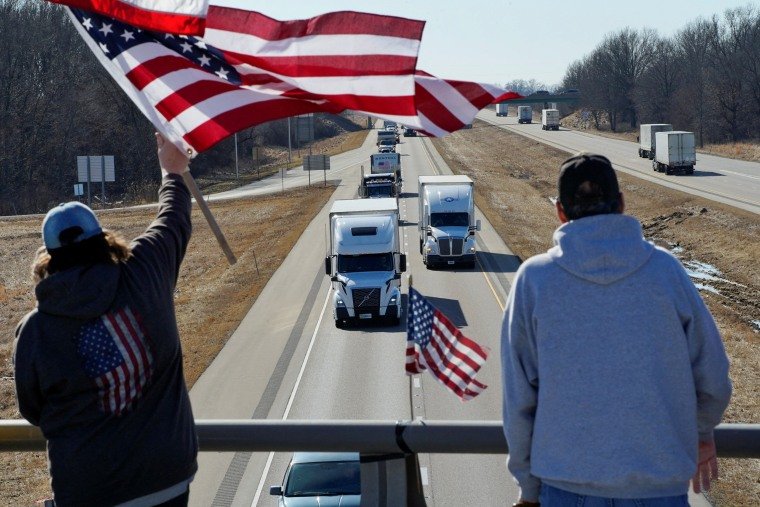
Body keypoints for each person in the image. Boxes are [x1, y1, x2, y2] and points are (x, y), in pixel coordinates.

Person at [500, 153, 732, 506]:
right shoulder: (667, 272)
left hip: (565, 489)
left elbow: (519, 400)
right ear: (622, 204)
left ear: (560, 211)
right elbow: (713, 380)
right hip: (660, 489)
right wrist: (699, 433)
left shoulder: (534, 281)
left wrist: (528, 487)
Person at [14, 133, 197, 506]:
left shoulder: (34, 331)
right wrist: (171, 171)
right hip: (168, 479)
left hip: (88, 492)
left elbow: (33, 409)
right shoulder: (145, 271)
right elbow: (173, 217)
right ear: (105, 239)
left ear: (49, 257)